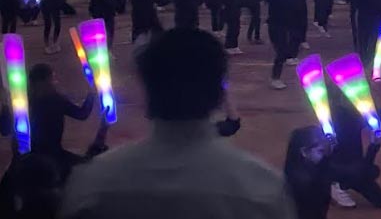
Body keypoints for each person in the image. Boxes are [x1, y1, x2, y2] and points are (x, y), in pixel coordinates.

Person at [60, 28, 294, 219]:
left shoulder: (93, 184)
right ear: (217, 93)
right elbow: (233, 124)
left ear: (148, 90)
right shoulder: (262, 189)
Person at [328, 80, 381, 209]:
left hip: (356, 164)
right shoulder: (340, 118)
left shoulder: (353, 114)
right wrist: (374, 146)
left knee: (380, 200)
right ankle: (336, 184)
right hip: (342, 167)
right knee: (366, 172)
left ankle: (345, 181)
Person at [27, 63, 95, 178]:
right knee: (87, 167)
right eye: (52, 77)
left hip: (32, 155)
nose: (55, 81)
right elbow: (82, 114)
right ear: (46, 80)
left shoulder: (28, 100)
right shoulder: (55, 99)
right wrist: (91, 94)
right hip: (54, 154)